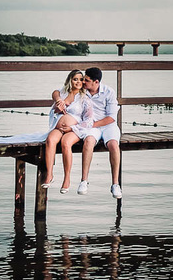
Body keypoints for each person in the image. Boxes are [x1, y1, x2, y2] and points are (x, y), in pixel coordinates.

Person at [70, 66, 122, 198]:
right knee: (88, 142)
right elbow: (61, 92)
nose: (83, 82)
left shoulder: (109, 92)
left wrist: (91, 124)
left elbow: (111, 118)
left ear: (96, 82)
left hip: (108, 125)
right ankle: (84, 181)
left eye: (86, 80)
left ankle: (115, 184)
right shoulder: (81, 91)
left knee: (113, 145)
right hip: (91, 127)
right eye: (83, 79)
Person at [42, 69, 95, 193]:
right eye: (75, 79)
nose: (78, 82)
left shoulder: (85, 98)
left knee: (65, 143)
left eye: (81, 79)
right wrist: (58, 103)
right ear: (70, 80)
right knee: (50, 140)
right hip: (58, 127)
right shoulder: (63, 93)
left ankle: (67, 178)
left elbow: (89, 120)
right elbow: (55, 93)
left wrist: (72, 128)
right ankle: (49, 175)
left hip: (75, 129)